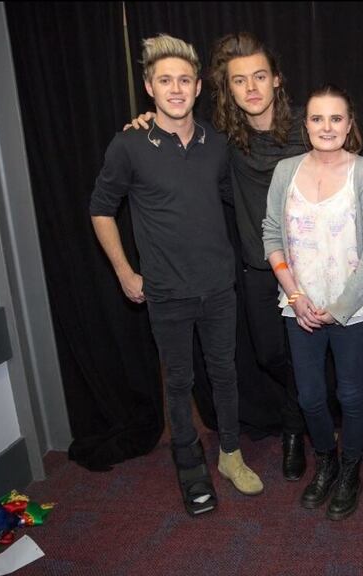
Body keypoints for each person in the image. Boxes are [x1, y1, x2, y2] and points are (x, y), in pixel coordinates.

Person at [89, 34, 263, 517]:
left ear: (199, 86)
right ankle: (189, 465)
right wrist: (125, 272)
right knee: (179, 382)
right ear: (149, 87)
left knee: (225, 374)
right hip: (165, 291)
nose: (176, 89)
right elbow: (101, 209)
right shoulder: (129, 144)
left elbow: (243, 194)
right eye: (165, 80)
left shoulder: (216, 143)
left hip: (219, 286)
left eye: (184, 80)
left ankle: (231, 455)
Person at [128, 33, 310, 482]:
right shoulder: (222, 141)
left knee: (307, 352)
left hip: (313, 266)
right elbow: (178, 142)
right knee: (271, 355)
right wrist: (147, 124)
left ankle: (294, 430)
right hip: (259, 268)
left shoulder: (311, 126)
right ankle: (304, 404)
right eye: (239, 80)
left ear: (277, 80)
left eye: (260, 77)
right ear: (227, 90)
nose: (251, 88)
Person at [262, 85, 363, 520]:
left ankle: (351, 469)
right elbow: (271, 235)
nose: (327, 127)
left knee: (351, 395)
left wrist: (338, 308)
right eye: (318, 119)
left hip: (354, 308)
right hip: (298, 307)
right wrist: (295, 297)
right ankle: (327, 461)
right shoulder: (285, 171)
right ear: (306, 125)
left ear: (350, 125)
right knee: (311, 397)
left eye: (336, 119)